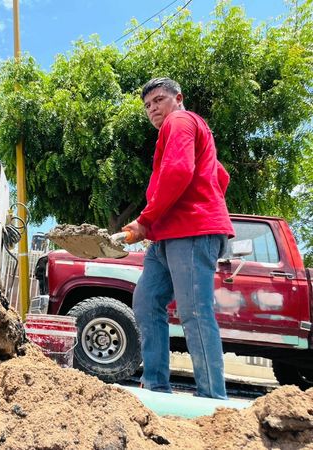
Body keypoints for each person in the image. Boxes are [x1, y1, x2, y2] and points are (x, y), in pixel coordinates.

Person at [122, 77, 234, 399]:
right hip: (166, 237)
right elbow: (220, 176)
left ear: (178, 98)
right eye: (147, 106)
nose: (152, 108)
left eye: (158, 100)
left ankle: (213, 400)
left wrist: (145, 220)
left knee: (194, 311)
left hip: (192, 233)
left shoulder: (180, 121)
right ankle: (156, 388)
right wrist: (154, 224)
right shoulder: (185, 130)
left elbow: (178, 172)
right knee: (146, 302)